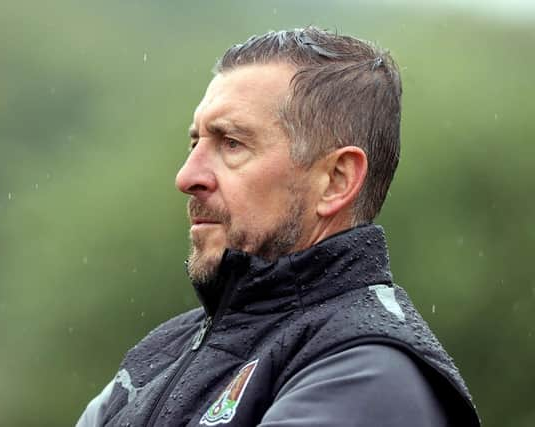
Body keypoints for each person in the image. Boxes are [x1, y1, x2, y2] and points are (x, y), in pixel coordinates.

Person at [76, 27, 480, 426]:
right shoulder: (158, 356)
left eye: (231, 143)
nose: (187, 176)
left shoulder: (369, 369)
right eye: (194, 142)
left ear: (336, 180)